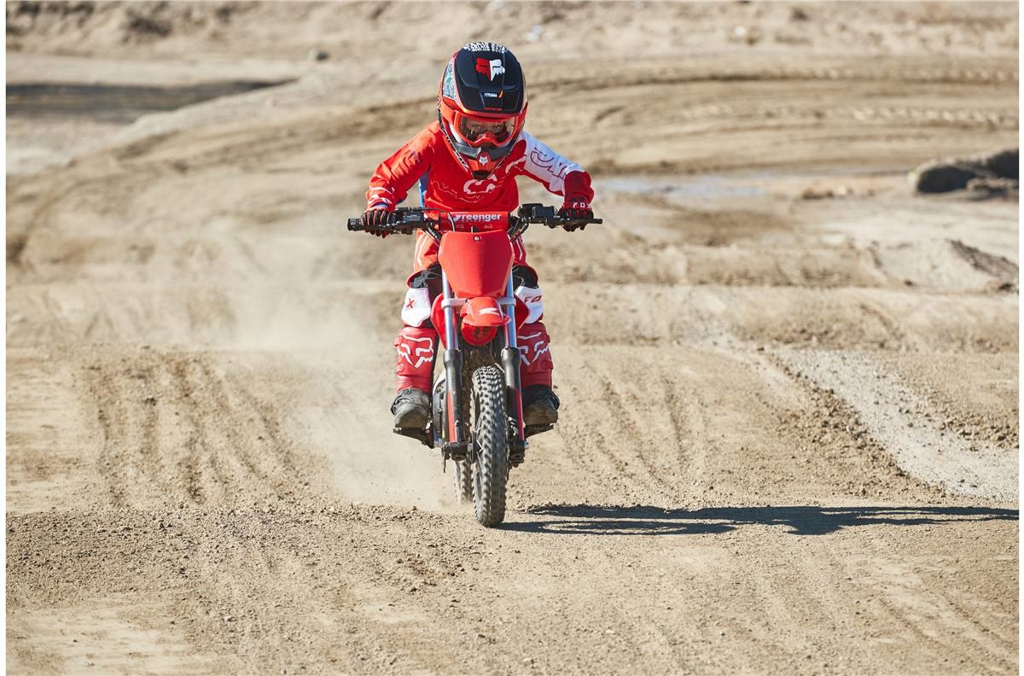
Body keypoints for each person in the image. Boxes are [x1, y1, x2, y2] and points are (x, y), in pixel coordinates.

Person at [359, 41, 594, 431]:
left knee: (525, 293)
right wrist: (380, 206)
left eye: (498, 130)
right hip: (439, 233)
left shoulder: (520, 146)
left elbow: (566, 171)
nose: (486, 142)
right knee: (420, 298)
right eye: (475, 128)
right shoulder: (431, 142)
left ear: (516, 121)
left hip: (501, 234)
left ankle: (537, 391)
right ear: (450, 115)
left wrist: (577, 199)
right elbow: (390, 176)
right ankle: (412, 392)